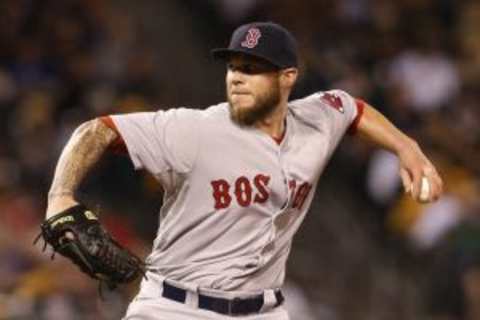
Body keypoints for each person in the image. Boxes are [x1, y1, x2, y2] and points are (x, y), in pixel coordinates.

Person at [44, 22, 443, 319]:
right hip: (174, 307)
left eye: (253, 68)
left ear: (288, 78)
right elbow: (95, 131)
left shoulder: (317, 120)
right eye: (234, 66)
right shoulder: (194, 129)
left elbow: (352, 108)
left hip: (263, 311)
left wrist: (407, 148)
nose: (237, 77)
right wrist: (59, 195)